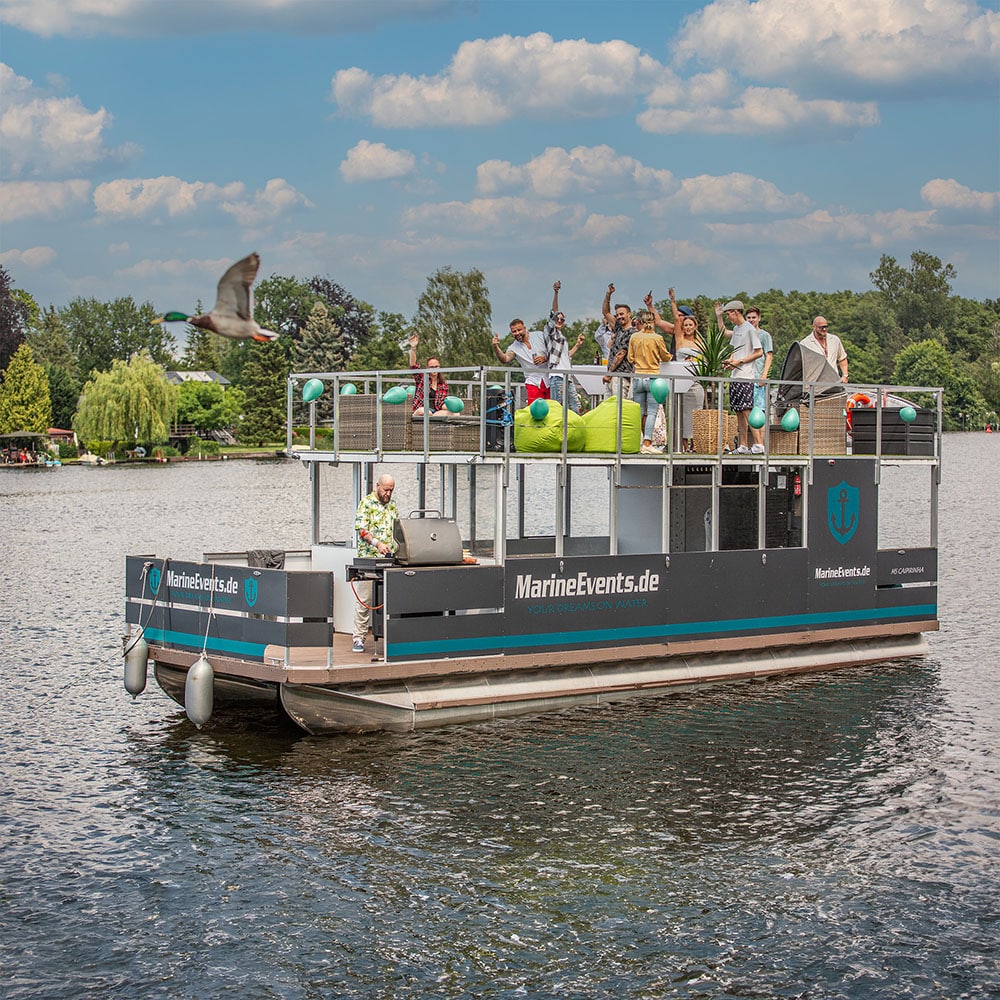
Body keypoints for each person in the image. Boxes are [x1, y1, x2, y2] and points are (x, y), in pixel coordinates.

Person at [647, 288, 704, 452]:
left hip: (694, 379)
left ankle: (695, 444)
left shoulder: (700, 342)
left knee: (694, 412)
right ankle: (680, 444)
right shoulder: (678, 335)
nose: (685, 326)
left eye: (689, 323)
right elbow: (663, 321)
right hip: (678, 379)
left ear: (694, 324)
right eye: (683, 323)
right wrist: (671, 301)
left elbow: (704, 359)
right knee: (676, 412)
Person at [352, 474, 398, 653]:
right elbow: (362, 531)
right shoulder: (366, 503)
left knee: (391, 598)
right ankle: (358, 638)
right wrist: (377, 544)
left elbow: (397, 529)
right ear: (378, 486)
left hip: (389, 559)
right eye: (386, 490)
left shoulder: (392, 506)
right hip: (368, 558)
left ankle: (392, 635)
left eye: (391, 490)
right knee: (365, 599)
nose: (388, 494)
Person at [715, 299, 763, 453]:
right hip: (735, 375)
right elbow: (735, 351)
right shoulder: (736, 329)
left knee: (747, 410)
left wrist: (740, 361)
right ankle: (743, 444)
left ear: (736, 312)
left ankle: (759, 444)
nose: (728, 316)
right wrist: (730, 362)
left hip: (746, 376)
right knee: (738, 411)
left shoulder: (749, 329)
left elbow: (758, 352)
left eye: (729, 314)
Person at [627, 310, 673, 453]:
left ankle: (635, 442)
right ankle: (647, 443)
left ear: (639, 322)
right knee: (652, 412)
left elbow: (630, 358)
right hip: (653, 378)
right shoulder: (657, 338)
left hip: (638, 377)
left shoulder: (634, 337)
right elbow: (665, 357)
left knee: (638, 411)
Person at [545, 281, 585, 413]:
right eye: (558, 319)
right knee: (558, 409)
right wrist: (556, 293)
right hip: (557, 376)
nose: (560, 321)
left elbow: (566, 357)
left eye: (562, 320)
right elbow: (554, 312)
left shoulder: (561, 336)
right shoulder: (550, 332)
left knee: (576, 407)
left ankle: (573, 431)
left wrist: (577, 345)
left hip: (567, 375)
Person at [491, 319, 550, 404]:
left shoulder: (540, 336)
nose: (517, 333)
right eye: (514, 331)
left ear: (525, 328)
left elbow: (554, 351)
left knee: (553, 409)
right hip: (533, 381)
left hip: (550, 377)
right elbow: (505, 359)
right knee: (535, 409)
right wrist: (496, 347)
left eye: (519, 330)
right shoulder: (513, 347)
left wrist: (545, 358)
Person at [745, 306, 773, 454]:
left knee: (759, 412)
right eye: (748, 318)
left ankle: (761, 445)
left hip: (758, 378)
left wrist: (764, 376)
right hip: (746, 377)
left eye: (753, 317)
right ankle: (751, 444)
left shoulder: (764, 335)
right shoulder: (744, 334)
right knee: (746, 411)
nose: (751, 320)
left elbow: (769, 356)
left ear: (759, 318)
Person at [603, 291, 637, 399]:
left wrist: (609, 373)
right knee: (608, 408)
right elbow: (605, 312)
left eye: (622, 314)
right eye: (617, 315)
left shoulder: (632, 333)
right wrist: (608, 295)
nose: (619, 317)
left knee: (618, 409)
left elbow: (621, 354)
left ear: (629, 314)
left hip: (621, 376)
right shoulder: (618, 328)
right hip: (612, 376)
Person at [408, 334, 448, 416]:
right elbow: (413, 365)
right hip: (421, 410)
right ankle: (432, 420)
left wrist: (452, 406)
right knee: (425, 411)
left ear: (439, 367)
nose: (434, 369)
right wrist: (413, 348)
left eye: (436, 366)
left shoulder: (443, 384)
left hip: (436, 412)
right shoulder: (422, 377)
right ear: (427, 368)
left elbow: (441, 404)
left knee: (455, 414)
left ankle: (434, 420)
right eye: (431, 367)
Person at [801, 316, 849, 383]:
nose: (824, 329)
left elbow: (842, 358)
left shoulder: (835, 340)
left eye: (825, 327)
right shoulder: (805, 343)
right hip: (815, 384)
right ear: (814, 327)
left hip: (834, 381)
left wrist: (845, 375)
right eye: (821, 327)